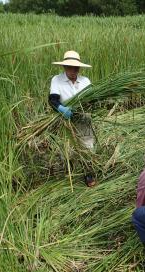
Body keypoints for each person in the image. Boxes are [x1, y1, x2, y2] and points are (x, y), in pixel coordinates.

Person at [48, 50, 96, 187]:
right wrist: (62, 109)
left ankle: (88, 174)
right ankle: (71, 173)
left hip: (84, 119)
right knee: (68, 150)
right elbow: (53, 100)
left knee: (87, 147)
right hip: (67, 121)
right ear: (64, 67)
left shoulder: (85, 81)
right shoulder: (56, 80)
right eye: (70, 67)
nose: (73, 70)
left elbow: (92, 100)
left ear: (79, 68)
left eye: (76, 68)